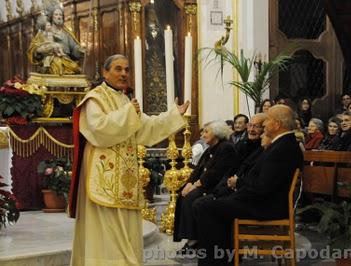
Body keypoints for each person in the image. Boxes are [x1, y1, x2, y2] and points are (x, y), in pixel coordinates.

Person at [69, 54, 189, 266]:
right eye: (118, 69)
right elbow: (98, 130)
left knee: (126, 228)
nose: (124, 73)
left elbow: (145, 130)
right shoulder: (95, 99)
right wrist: (128, 114)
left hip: (125, 178)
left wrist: (173, 116)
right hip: (103, 178)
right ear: (105, 72)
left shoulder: (125, 100)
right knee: (106, 230)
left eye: (126, 69)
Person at [193, 105, 303, 265]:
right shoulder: (283, 144)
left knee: (205, 206)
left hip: (265, 206)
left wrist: (237, 190)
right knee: (207, 203)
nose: (264, 125)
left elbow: (263, 186)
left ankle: (217, 262)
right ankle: (223, 259)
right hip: (261, 201)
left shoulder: (283, 148)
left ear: (277, 124)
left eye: (268, 120)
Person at [173, 120, 238, 251]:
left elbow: (216, 173)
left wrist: (196, 185)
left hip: (216, 187)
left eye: (206, 131)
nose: (203, 134)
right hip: (205, 184)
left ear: (217, 133)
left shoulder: (226, 147)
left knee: (192, 198)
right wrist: (189, 183)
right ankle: (192, 237)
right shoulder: (210, 149)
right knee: (183, 194)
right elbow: (198, 169)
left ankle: (194, 240)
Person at [28, 6, 85, 75]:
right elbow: (33, 49)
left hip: (66, 60)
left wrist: (80, 50)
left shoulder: (66, 33)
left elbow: (73, 47)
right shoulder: (44, 32)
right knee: (57, 65)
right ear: (52, 17)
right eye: (56, 14)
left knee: (75, 67)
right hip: (52, 60)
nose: (59, 17)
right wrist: (41, 49)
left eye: (60, 15)